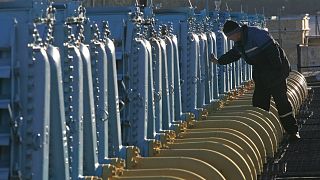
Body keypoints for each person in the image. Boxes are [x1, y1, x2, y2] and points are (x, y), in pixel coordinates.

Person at [210, 20, 300, 142]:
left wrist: (277, 74)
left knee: (282, 102)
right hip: (261, 72)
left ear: (236, 32)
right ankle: (263, 135)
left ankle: (293, 132)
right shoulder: (240, 42)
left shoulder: (257, 35)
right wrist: (218, 61)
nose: (230, 39)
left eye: (230, 37)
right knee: (259, 103)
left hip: (275, 70)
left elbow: (274, 53)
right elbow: (234, 55)